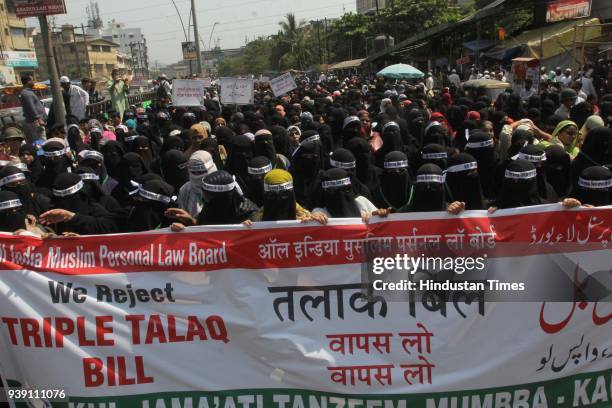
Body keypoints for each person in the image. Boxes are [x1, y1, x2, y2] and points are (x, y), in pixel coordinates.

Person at [177, 150, 217, 219]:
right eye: (194, 172)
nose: (197, 176)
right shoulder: (185, 190)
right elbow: (182, 218)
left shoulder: (223, 187)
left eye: (201, 171)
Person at [19, 74, 46, 143]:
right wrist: (38, 118)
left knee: (40, 140)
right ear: (28, 81)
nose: (34, 81)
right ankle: (41, 153)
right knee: (40, 141)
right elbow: (31, 107)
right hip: (35, 122)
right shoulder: (26, 93)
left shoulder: (28, 92)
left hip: (36, 121)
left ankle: (40, 152)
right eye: (32, 80)